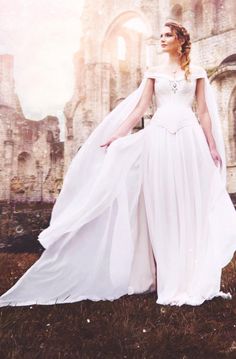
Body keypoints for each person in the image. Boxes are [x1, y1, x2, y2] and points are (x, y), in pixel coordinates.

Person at [0, 21, 236, 307]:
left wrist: (211, 144)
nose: (161, 39)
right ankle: (165, 277)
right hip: (159, 137)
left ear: (180, 40)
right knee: (159, 202)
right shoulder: (153, 73)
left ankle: (187, 276)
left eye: (167, 35)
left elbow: (204, 113)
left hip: (188, 138)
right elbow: (138, 109)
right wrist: (116, 135)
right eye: (160, 35)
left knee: (185, 201)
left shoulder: (196, 73)